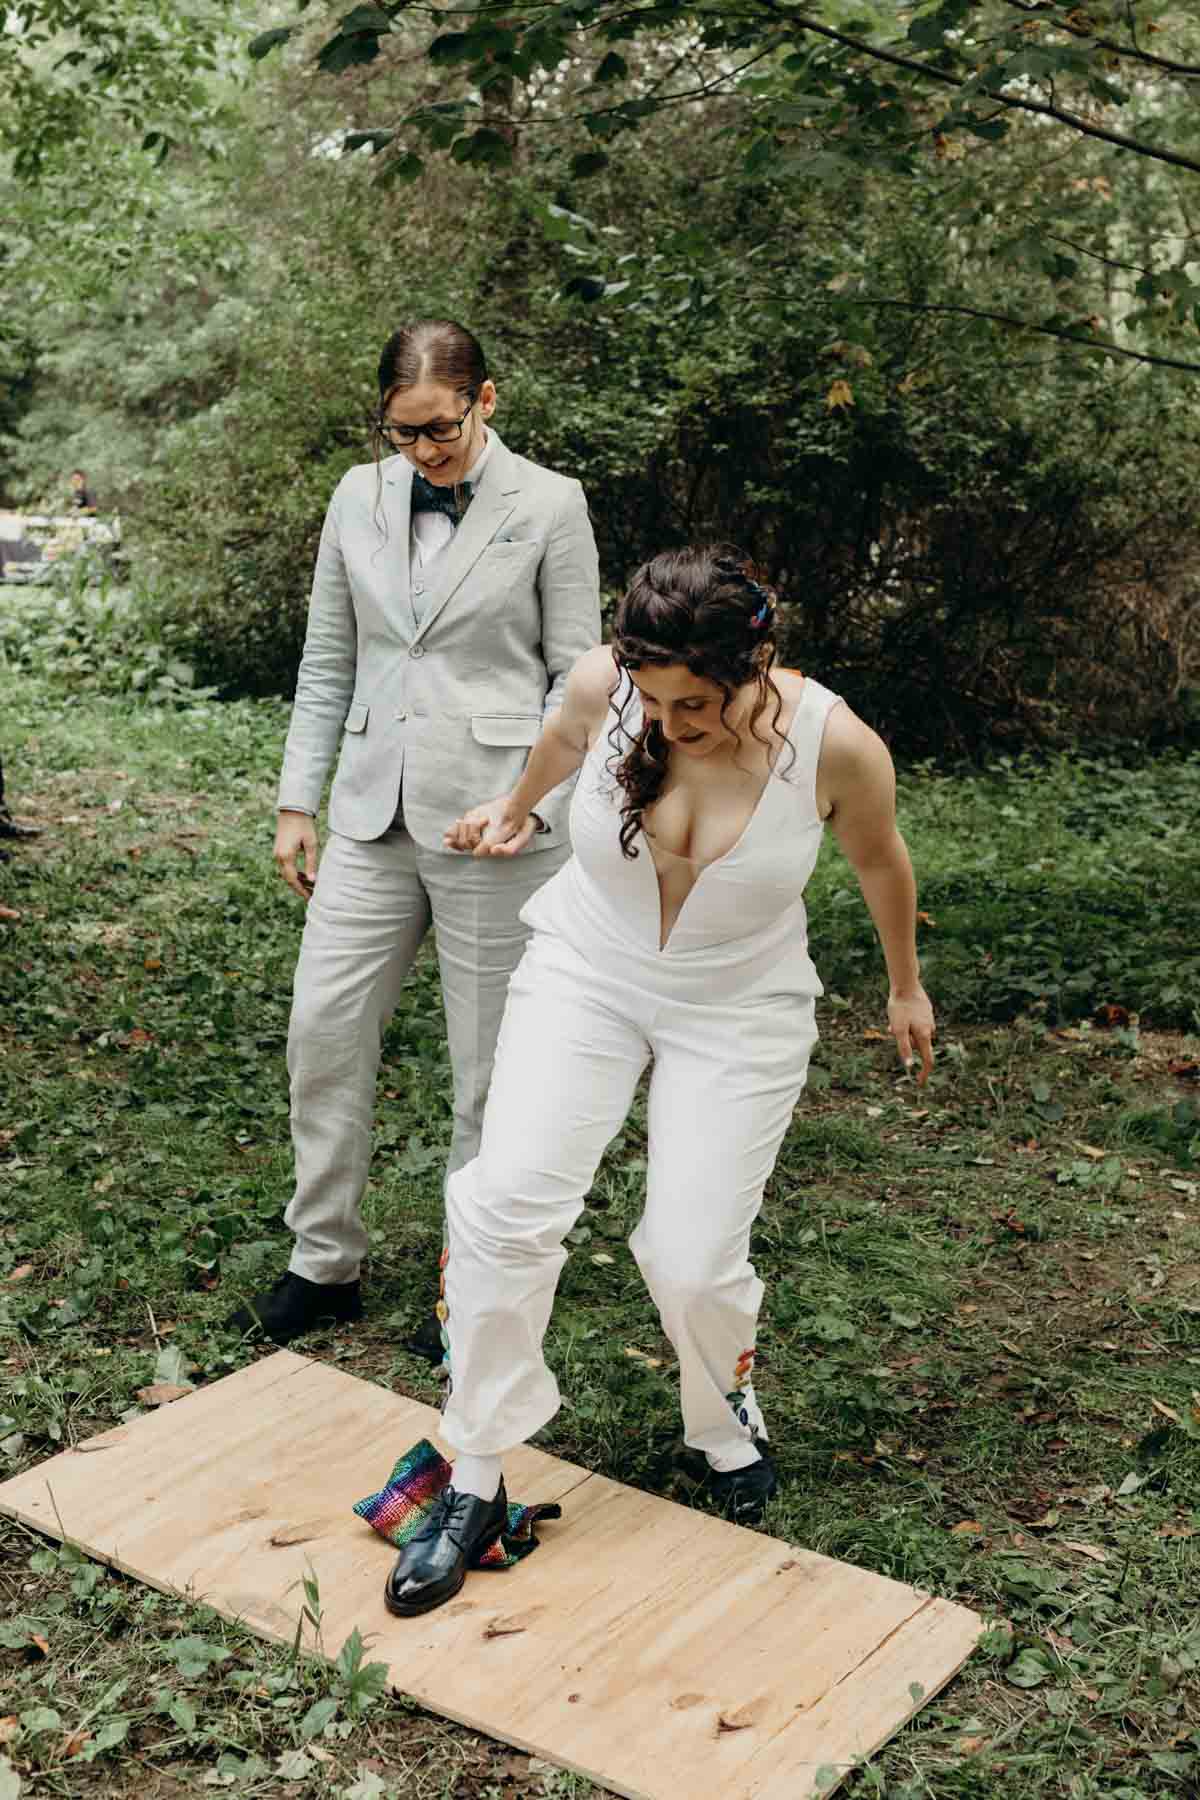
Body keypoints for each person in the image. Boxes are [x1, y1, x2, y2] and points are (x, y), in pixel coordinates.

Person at [385, 545, 935, 1616]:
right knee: (504, 1205)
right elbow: (557, 746)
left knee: (690, 1257)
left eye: (697, 704)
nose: (670, 725)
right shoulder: (607, 688)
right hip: (586, 972)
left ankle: (721, 1422)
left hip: (739, 1006)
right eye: (654, 700)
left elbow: (881, 860)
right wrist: (518, 809)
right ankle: (480, 1473)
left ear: (757, 661)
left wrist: (905, 986)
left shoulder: (839, 746)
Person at [228, 321, 600, 1347]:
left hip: (498, 826)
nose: (424, 453)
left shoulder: (552, 503)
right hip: (369, 814)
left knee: (489, 1067)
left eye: (439, 430)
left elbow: (578, 682)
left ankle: (468, 1282)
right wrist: (296, 801)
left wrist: (532, 804)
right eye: (404, 436)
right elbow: (326, 660)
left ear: (487, 398)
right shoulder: (358, 495)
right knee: (322, 1032)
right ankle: (323, 1260)